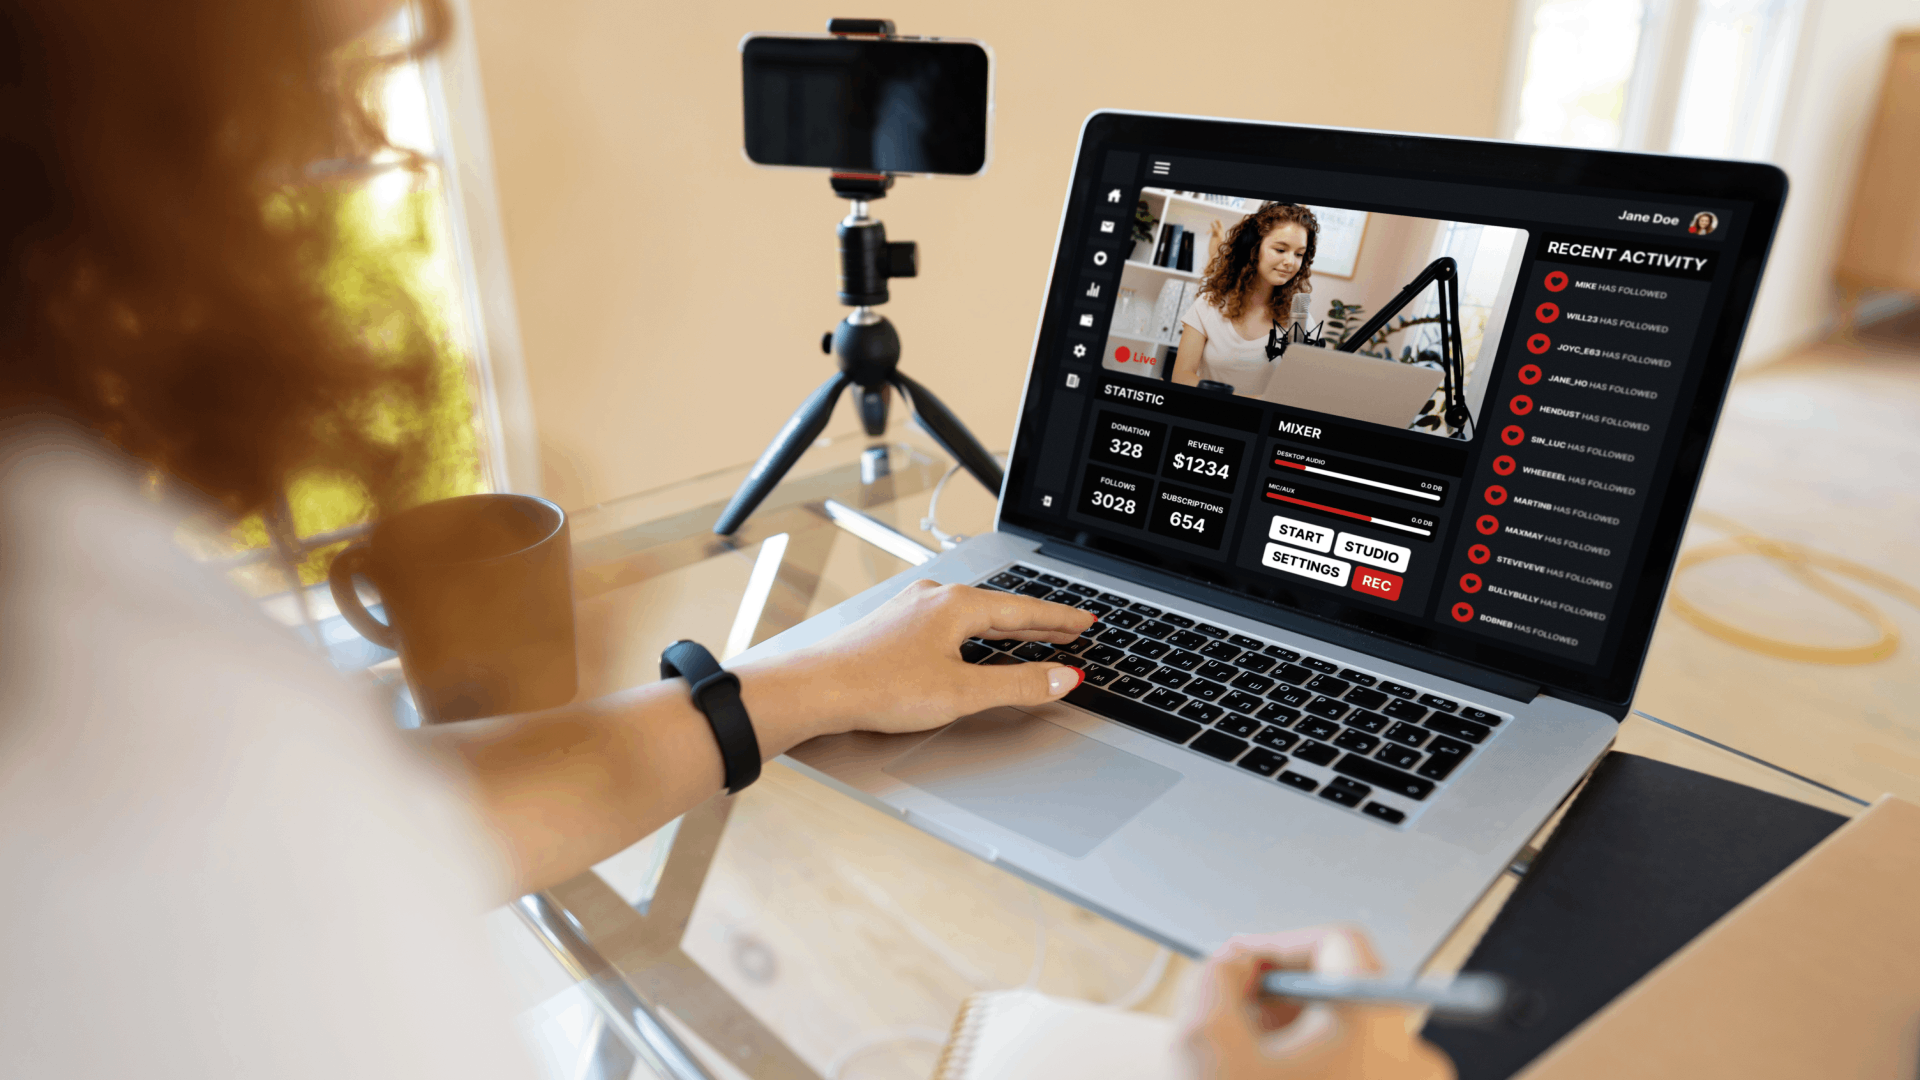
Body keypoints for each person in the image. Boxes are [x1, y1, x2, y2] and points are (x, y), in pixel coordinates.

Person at [0, 3, 1452, 1077]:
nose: (366, 101)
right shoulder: (104, 754)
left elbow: (350, 826)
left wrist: (788, 687)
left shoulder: (77, 593)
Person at [1172, 203, 1319, 396]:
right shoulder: (1209, 303)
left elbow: (1301, 393)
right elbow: (1182, 375)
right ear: (1253, 248)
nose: (1290, 262)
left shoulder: (1301, 320)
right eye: (1281, 250)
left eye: (1299, 254)